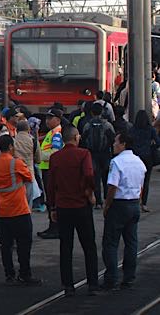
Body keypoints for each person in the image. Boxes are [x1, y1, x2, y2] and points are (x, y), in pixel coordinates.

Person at [47, 125, 99, 296]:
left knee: (65, 246)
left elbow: (51, 185)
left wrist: (52, 206)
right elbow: (89, 175)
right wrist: (90, 193)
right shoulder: (84, 154)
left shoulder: (55, 158)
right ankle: (92, 284)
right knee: (89, 246)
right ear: (76, 137)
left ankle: (68, 285)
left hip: (63, 207)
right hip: (81, 206)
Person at [0, 135, 41, 286]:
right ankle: (24, 274)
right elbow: (28, 177)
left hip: (3, 211)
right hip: (19, 210)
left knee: (6, 246)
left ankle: (9, 274)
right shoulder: (16, 163)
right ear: (12, 147)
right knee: (24, 244)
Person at [100, 132, 147, 290]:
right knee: (131, 242)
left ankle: (111, 278)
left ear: (124, 144)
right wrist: (139, 201)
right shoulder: (139, 161)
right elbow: (141, 185)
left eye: (116, 142)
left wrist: (107, 205)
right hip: (134, 204)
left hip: (119, 205)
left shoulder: (117, 162)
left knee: (111, 243)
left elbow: (113, 186)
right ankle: (129, 277)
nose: (113, 144)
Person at [81, 103, 116, 209]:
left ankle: (98, 201)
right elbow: (112, 138)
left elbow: (83, 139)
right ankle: (107, 199)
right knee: (106, 176)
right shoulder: (107, 125)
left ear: (91, 112)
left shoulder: (88, 125)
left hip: (92, 153)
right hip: (105, 153)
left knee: (95, 177)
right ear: (102, 112)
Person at [37, 109, 64, 239]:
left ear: (58, 120)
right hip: (47, 169)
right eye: (47, 118)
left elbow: (55, 152)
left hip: (51, 170)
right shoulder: (52, 132)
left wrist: (39, 156)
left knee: (52, 200)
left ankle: (55, 228)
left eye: (50, 118)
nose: (47, 121)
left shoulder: (57, 134)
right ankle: (52, 227)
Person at [128, 110, 156, 213]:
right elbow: (157, 142)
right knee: (146, 180)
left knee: (134, 179)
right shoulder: (150, 129)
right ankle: (144, 203)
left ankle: (135, 200)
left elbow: (128, 142)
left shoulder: (132, 129)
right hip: (147, 157)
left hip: (135, 158)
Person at [12, 119, 41, 210]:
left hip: (15, 173)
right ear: (28, 129)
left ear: (17, 130)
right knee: (28, 201)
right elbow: (38, 159)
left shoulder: (13, 140)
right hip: (29, 173)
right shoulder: (33, 140)